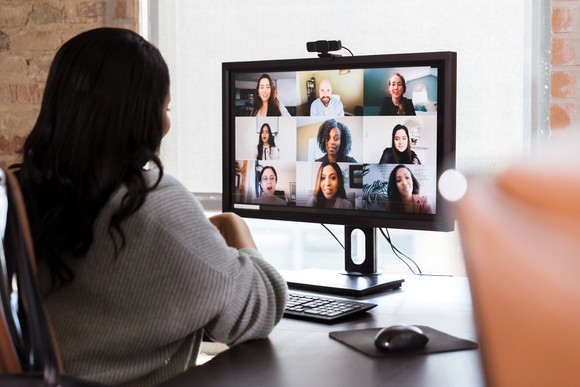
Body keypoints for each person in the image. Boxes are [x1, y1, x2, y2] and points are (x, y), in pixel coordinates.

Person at [11, 28, 287, 386]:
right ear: (141, 115)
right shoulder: (151, 201)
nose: (168, 123)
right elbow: (259, 308)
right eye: (165, 107)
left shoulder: (29, 191)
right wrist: (236, 228)